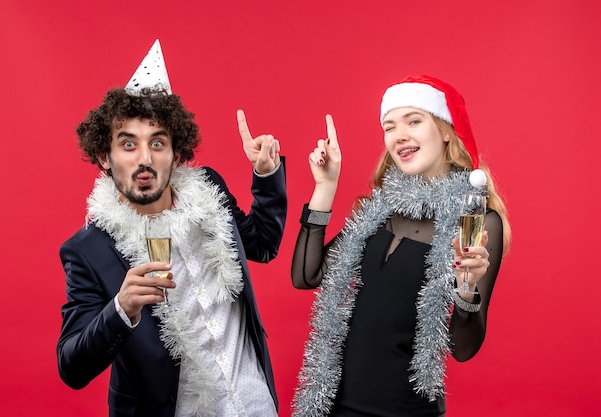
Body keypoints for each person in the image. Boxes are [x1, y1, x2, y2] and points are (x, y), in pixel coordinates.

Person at [56, 39, 287, 417]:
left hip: (255, 403)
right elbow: (72, 367)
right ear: (104, 156)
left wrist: (266, 175)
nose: (144, 159)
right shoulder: (89, 250)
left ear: (176, 152)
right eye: (128, 144)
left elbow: (262, 245)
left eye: (157, 143)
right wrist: (122, 307)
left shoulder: (210, 191)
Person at [291, 75, 511, 417]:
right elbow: (307, 275)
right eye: (390, 126)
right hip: (334, 404)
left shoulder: (476, 222)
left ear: (446, 130)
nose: (399, 135)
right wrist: (325, 187)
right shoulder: (378, 209)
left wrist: (466, 290)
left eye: (414, 120)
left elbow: (462, 349)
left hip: (405, 411)